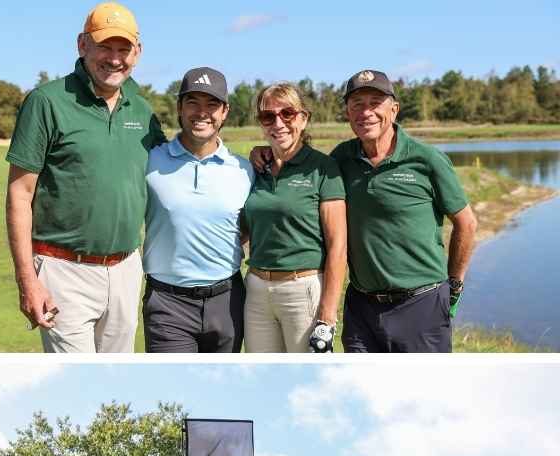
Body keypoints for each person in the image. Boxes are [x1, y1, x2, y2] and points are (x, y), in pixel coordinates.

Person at [6, 2, 166, 352]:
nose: (114, 58)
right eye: (104, 47)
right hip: (63, 270)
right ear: (82, 45)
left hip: (126, 269)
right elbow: (19, 195)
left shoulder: (141, 109)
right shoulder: (46, 102)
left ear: (137, 53)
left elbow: (175, 166)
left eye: (123, 49)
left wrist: (262, 156)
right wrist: (27, 280)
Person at [318, 70, 475, 351]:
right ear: (347, 112)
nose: (366, 112)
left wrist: (455, 286)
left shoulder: (426, 159)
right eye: (357, 104)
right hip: (361, 309)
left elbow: (467, 224)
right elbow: (300, 166)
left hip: (422, 305)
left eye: (375, 103)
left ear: (394, 109)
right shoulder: (340, 158)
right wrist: (262, 152)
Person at [141, 67, 253, 352]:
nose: (202, 112)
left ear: (225, 111)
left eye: (211, 104)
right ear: (179, 107)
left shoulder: (244, 169)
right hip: (168, 304)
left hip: (227, 301)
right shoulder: (150, 160)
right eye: (193, 102)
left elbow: (250, 227)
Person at [241, 83, 347, 352]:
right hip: (256, 291)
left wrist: (327, 313)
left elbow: (338, 247)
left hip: (302, 291)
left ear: (303, 118)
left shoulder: (323, 168)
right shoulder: (254, 169)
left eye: (287, 113)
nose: (278, 123)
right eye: (268, 116)